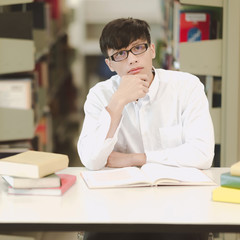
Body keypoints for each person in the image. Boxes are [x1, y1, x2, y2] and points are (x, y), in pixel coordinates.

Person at [77, 18, 214, 240]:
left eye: (137, 48)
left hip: (179, 203)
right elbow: (92, 160)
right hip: (119, 206)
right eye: (120, 54)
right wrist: (118, 102)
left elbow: (202, 154)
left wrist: (135, 158)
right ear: (110, 64)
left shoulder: (187, 87)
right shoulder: (99, 95)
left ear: (151, 50)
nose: (131, 59)